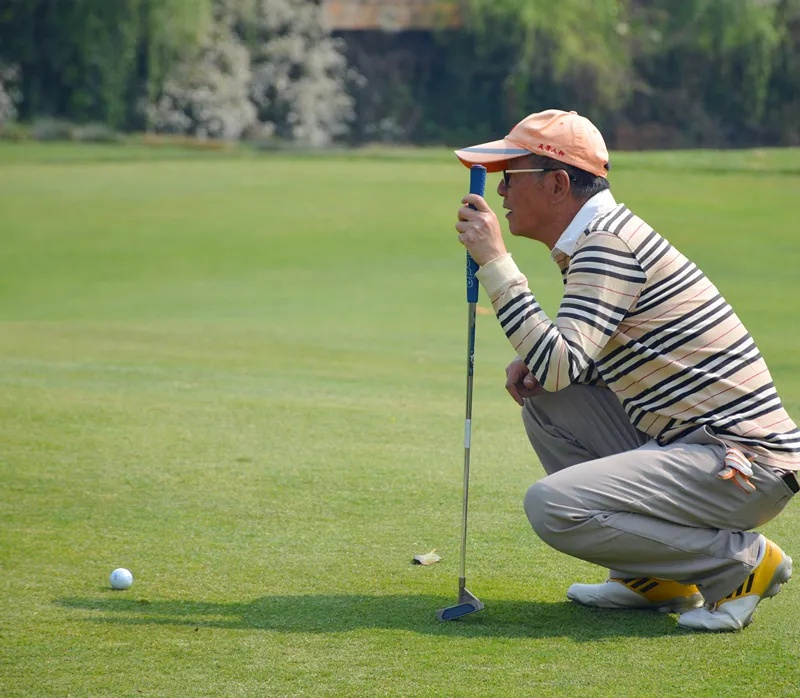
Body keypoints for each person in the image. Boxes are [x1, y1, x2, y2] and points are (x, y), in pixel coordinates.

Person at [453, 109, 799, 631]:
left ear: (557, 184)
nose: (500, 192)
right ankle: (655, 577)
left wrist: (495, 262)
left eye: (511, 175)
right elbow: (569, 370)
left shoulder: (606, 242)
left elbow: (559, 363)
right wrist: (543, 362)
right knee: (551, 400)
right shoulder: (599, 236)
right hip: (703, 448)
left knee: (553, 507)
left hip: (742, 465)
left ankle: (740, 564)